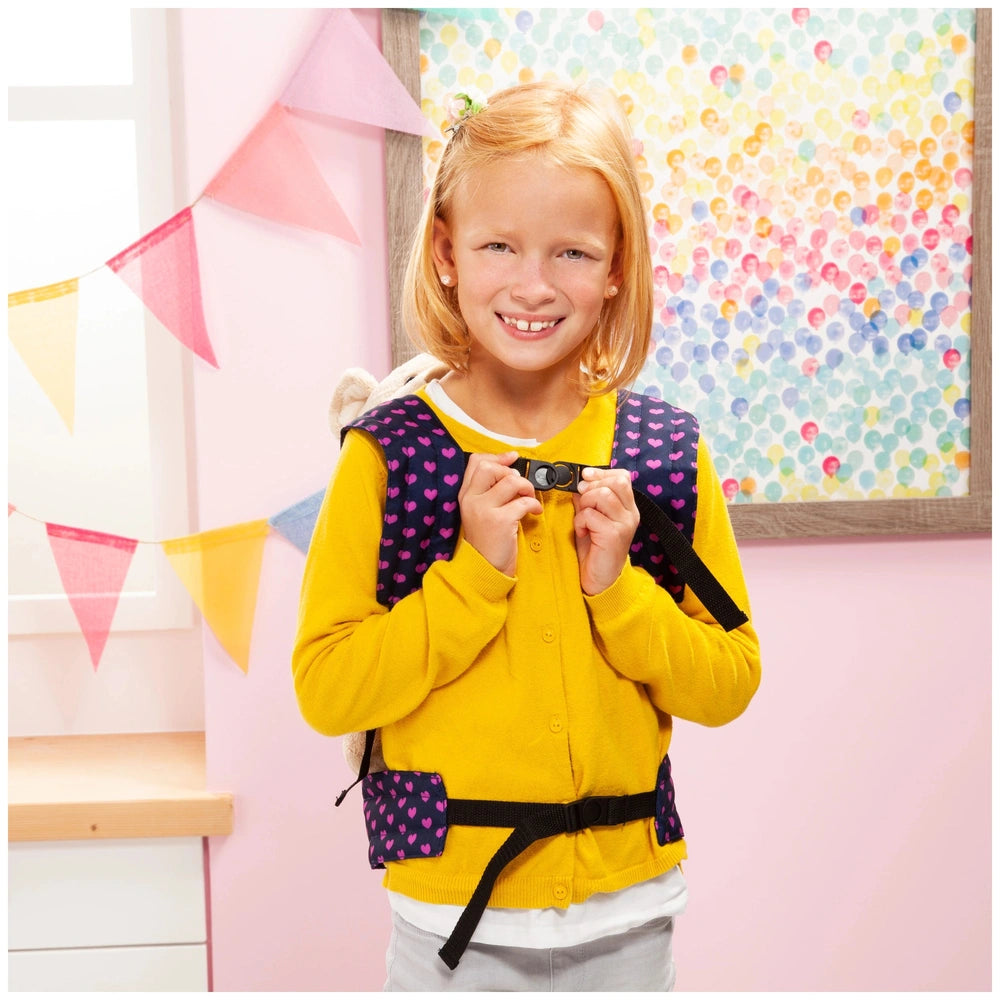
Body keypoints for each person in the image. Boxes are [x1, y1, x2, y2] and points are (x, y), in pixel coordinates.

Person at [292, 80, 761, 992]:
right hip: (448, 928)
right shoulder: (390, 454)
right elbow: (328, 691)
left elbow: (731, 679)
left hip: (633, 912)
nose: (534, 284)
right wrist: (471, 577)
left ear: (618, 264)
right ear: (446, 253)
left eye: (574, 252)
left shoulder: (662, 454)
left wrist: (616, 591)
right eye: (499, 244)